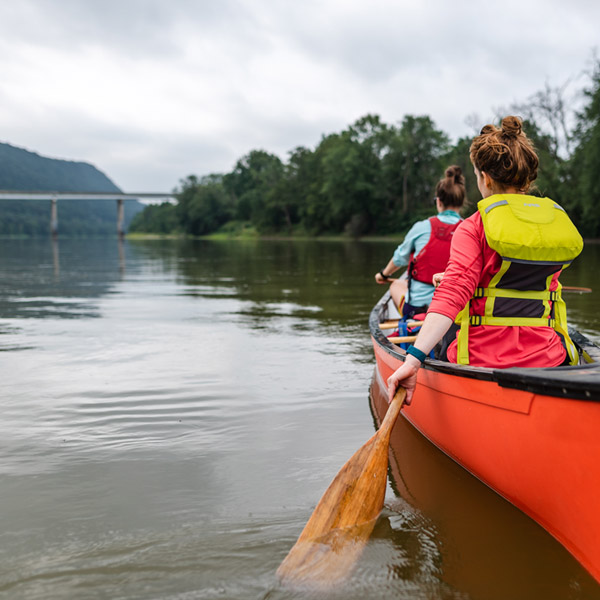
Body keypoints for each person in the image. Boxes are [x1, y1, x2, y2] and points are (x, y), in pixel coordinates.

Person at [388, 116, 583, 404]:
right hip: (549, 355)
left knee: (446, 331)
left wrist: (413, 359)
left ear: (485, 178)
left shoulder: (474, 226)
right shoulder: (550, 223)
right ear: (527, 179)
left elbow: (454, 293)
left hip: (479, 359)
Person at [375, 166, 466, 320]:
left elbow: (400, 258)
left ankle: (412, 325)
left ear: (438, 201)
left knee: (396, 285)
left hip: (418, 310)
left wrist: (383, 275)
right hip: (454, 311)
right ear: (461, 202)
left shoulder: (422, 227)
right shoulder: (469, 229)